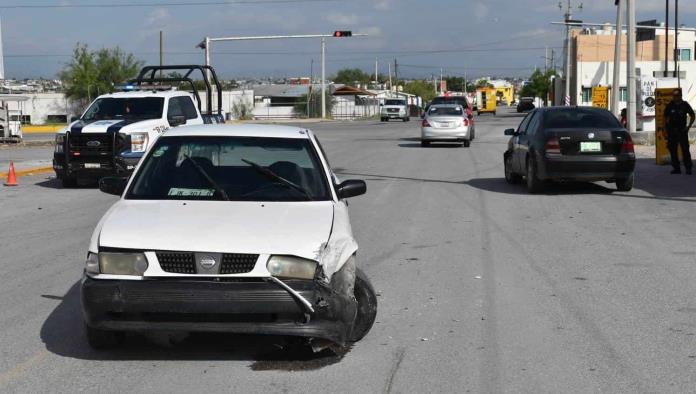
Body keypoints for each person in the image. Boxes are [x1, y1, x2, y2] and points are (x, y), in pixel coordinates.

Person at [664, 89, 695, 174]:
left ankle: (688, 168)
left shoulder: (685, 105)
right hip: (672, 131)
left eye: (676, 95)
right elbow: (666, 117)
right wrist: (665, 129)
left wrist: (688, 126)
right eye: (673, 95)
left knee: (685, 150)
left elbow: (692, 115)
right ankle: (676, 168)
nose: (674, 97)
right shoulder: (670, 105)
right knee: (673, 150)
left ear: (680, 96)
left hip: (682, 131)